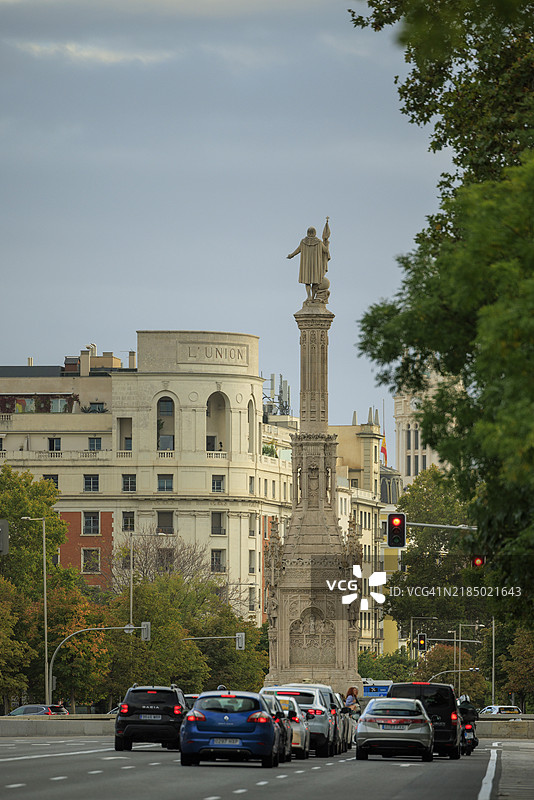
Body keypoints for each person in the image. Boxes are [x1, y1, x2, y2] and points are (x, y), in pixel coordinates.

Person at [287, 220, 330, 301]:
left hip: (306, 266)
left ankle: (309, 296)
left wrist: (291, 255)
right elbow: (325, 251)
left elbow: (297, 250)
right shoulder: (318, 242)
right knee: (315, 282)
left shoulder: (303, 241)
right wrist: (327, 243)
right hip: (315, 266)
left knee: (307, 282)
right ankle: (312, 297)